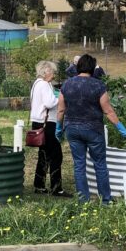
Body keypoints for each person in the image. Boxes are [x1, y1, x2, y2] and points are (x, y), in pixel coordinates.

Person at [57, 54, 126, 204]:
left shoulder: (66, 84)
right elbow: (108, 110)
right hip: (93, 129)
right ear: (92, 68)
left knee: (79, 165)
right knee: (100, 164)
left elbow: (61, 110)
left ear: (78, 67)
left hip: (72, 129)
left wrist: (59, 127)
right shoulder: (98, 85)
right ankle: (106, 200)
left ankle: (83, 200)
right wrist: (121, 128)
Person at [30, 60, 70, 197]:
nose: (53, 75)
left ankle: (39, 185)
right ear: (45, 71)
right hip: (48, 123)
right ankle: (56, 188)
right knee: (56, 155)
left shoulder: (36, 84)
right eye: (52, 72)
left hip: (38, 122)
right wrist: (59, 98)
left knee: (44, 155)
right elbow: (49, 103)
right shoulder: (45, 85)